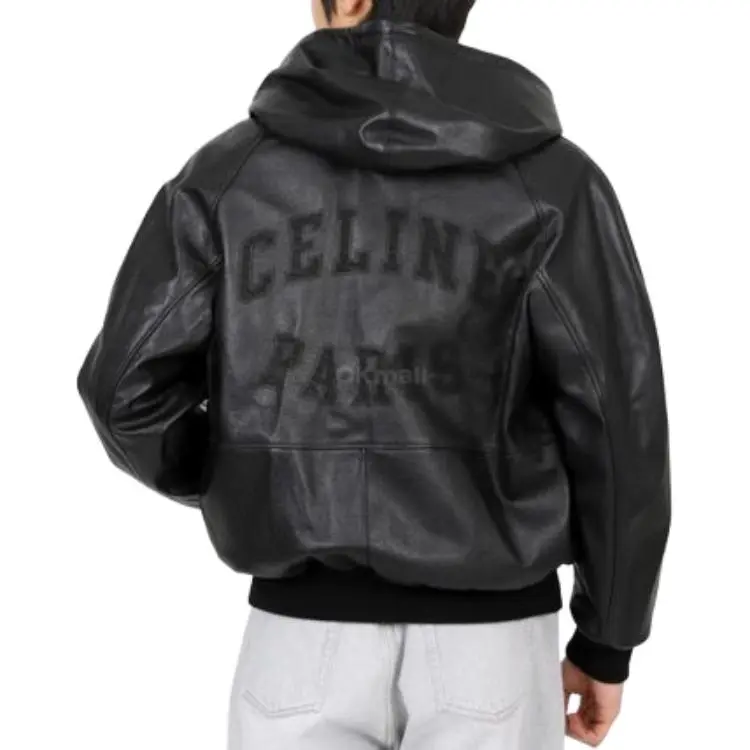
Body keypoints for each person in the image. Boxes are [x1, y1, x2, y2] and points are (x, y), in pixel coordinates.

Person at [76, 0, 671, 747]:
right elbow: (619, 423)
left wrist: (258, 477)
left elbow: (123, 393)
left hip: (297, 645)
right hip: (492, 647)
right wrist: (607, 638)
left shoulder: (227, 176)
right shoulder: (555, 182)